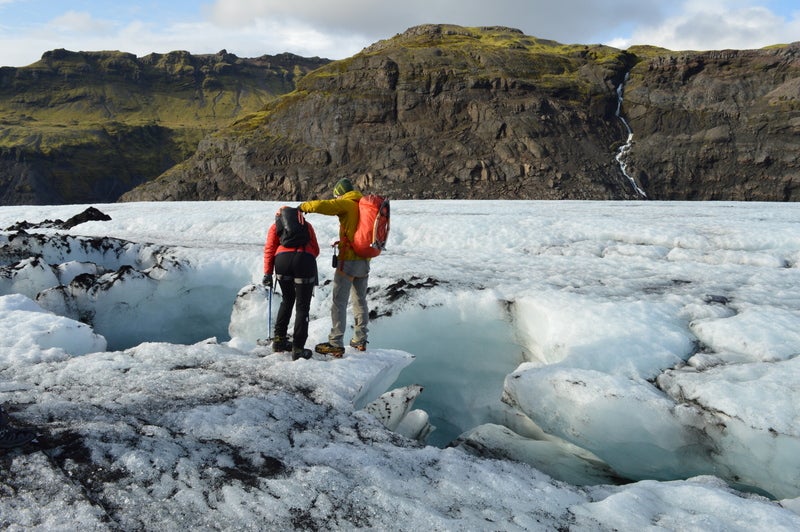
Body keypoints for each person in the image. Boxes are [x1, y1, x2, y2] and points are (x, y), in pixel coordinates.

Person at [299, 178, 370, 357]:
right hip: (365, 259)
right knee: (360, 301)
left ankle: (335, 342)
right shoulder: (364, 204)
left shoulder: (347, 203)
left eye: (337, 195)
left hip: (348, 261)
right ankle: (360, 340)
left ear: (340, 193)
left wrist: (303, 207)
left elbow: (325, 205)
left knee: (339, 302)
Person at [263, 206, 320, 361]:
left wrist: (268, 273)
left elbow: (269, 249)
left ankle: (279, 341)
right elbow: (316, 249)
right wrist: (304, 257)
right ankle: (298, 348)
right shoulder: (306, 226)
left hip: (282, 261)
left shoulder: (276, 226)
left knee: (287, 300)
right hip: (304, 260)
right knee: (303, 306)